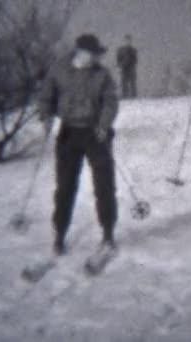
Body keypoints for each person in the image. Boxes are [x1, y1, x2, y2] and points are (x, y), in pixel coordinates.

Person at [39, 33, 119, 267]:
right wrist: (45, 115)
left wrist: (104, 124)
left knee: (104, 185)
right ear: (80, 52)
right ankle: (60, 234)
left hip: (95, 133)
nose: (96, 57)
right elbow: (46, 96)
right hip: (68, 133)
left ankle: (108, 234)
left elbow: (110, 101)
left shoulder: (102, 75)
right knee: (65, 186)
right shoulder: (59, 70)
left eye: (98, 54)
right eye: (93, 53)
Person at [116, 34, 138, 98]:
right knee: (123, 82)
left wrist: (131, 65)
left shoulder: (133, 50)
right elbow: (118, 59)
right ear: (124, 41)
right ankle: (124, 95)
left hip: (131, 68)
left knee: (132, 82)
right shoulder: (120, 50)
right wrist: (120, 66)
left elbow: (135, 60)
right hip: (123, 68)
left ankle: (133, 96)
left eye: (128, 40)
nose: (127, 42)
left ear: (130, 41)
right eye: (126, 40)